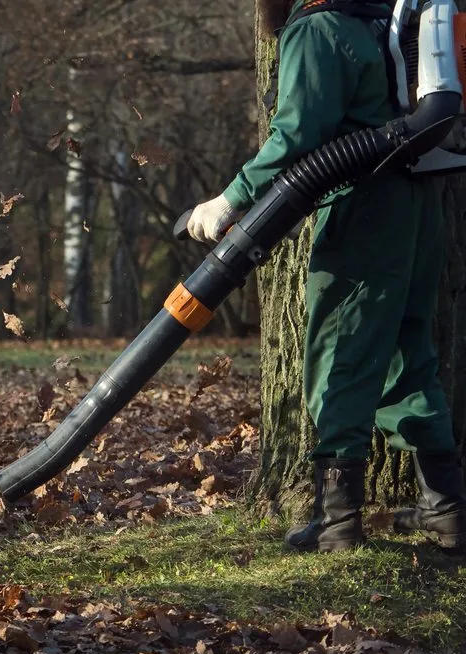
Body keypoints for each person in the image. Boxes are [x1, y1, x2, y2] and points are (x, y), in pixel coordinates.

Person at [186, 0, 466, 553]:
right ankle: (447, 509)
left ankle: (337, 520)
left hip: (365, 209)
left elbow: (296, 136)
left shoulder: (320, 29)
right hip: (418, 206)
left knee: (342, 351)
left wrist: (231, 198)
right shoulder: (381, 23)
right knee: (408, 351)